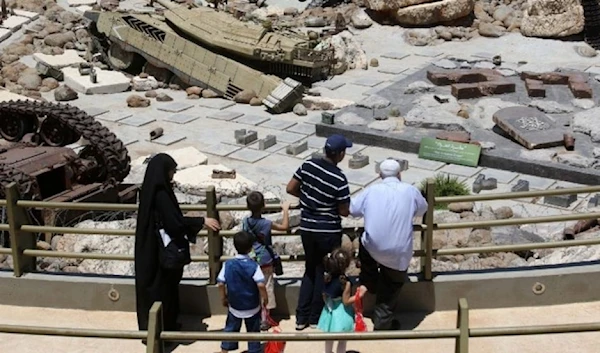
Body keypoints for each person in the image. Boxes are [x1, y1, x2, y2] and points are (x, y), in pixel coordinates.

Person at [134, 153, 221, 334]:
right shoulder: (161, 195)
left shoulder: (150, 190)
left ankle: (156, 329)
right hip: (158, 253)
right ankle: (162, 331)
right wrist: (201, 221)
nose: (173, 175)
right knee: (162, 291)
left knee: (156, 289)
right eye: (171, 171)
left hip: (149, 250)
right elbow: (174, 223)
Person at [349, 159, 428, 330]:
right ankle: (383, 322)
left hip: (373, 248)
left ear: (380, 175)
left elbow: (353, 210)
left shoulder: (371, 191)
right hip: (399, 252)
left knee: (365, 241)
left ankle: (369, 281)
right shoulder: (410, 190)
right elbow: (423, 209)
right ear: (400, 174)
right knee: (392, 285)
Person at [286, 134, 352, 331]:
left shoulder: (308, 166)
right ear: (340, 154)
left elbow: (291, 188)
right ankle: (315, 318)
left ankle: (300, 318)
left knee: (310, 270)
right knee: (324, 272)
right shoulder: (339, 179)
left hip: (307, 228)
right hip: (328, 231)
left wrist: (306, 198)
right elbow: (343, 210)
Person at [243, 191, 291, 330]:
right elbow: (284, 227)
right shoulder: (266, 223)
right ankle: (265, 318)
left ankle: (255, 315)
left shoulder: (246, 222)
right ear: (264, 205)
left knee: (254, 287)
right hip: (266, 260)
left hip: (251, 259)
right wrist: (285, 211)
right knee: (267, 287)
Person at [218, 231, 268, 353]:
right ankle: (254, 349)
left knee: (230, 328)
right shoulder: (254, 266)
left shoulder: (228, 264)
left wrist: (223, 298)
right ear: (251, 248)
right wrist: (265, 299)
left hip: (234, 306)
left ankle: (225, 349)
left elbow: (220, 283)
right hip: (252, 307)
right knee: (253, 331)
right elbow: (261, 284)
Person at [317, 248, 367, 353]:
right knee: (342, 339)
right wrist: (359, 295)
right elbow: (346, 301)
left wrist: (328, 304)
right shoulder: (346, 283)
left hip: (329, 310)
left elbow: (324, 295)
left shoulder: (327, 277)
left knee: (329, 337)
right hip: (341, 313)